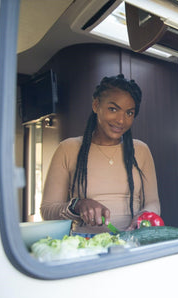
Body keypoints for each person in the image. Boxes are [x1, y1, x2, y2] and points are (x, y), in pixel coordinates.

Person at [41, 74, 160, 237]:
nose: (121, 120)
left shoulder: (141, 150)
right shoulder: (68, 149)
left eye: (129, 113)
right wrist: (78, 205)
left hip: (134, 241)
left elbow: (153, 202)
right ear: (96, 105)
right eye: (113, 109)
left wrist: (144, 215)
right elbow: (47, 210)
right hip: (85, 243)